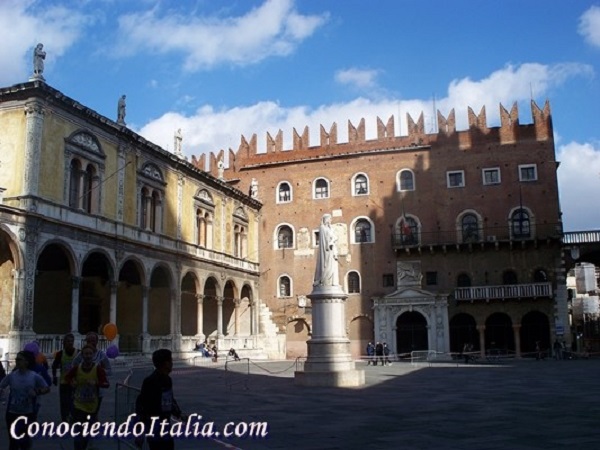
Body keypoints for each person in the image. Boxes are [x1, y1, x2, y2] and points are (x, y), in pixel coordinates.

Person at [0, 351, 50, 449]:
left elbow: (47, 388)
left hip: (27, 413)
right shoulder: (12, 376)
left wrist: (37, 392)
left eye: (19, 359)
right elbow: (1, 385)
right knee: (13, 442)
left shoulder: (34, 376)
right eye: (16, 359)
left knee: (25, 441)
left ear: (26, 362)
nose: (16, 361)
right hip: (12, 413)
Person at [66, 345, 110, 450]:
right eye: (86, 354)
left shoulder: (98, 369)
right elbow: (67, 377)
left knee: (86, 434)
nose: (88, 356)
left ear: (93, 355)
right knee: (78, 433)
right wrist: (71, 382)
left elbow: (106, 383)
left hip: (91, 406)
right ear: (82, 355)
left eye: (90, 354)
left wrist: (96, 383)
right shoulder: (77, 368)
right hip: (78, 405)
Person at [138, 349, 183, 450]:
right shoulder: (150, 381)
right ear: (165, 363)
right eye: (170, 361)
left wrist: (179, 414)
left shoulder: (167, 380)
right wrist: (140, 431)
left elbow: (169, 399)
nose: (172, 363)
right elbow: (142, 406)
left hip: (165, 424)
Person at [72, 331, 112, 416]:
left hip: (97, 391)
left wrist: (99, 371)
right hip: (82, 390)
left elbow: (109, 371)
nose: (91, 343)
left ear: (97, 341)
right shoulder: (81, 354)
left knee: (93, 414)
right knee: (81, 414)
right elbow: (73, 366)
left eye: (93, 341)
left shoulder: (102, 355)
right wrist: (75, 378)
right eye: (88, 341)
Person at [52, 333, 80, 421]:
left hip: (75, 382)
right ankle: (64, 419)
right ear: (64, 343)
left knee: (75, 402)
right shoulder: (60, 354)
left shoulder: (78, 353)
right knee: (64, 402)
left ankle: (74, 418)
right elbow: (54, 366)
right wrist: (54, 377)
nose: (70, 343)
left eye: (72, 341)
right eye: (68, 341)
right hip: (64, 382)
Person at [313, 214, 339, 287]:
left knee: (332, 266)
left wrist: (333, 240)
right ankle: (324, 280)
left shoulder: (330, 228)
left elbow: (333, 237)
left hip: (331, 250)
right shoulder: (322, 228)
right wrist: (330, 243)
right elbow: (325, 240)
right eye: (330, 219)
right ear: (327, 220)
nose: (331, 221)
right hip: (327, 251)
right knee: (327, 266)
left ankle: (331, 281)